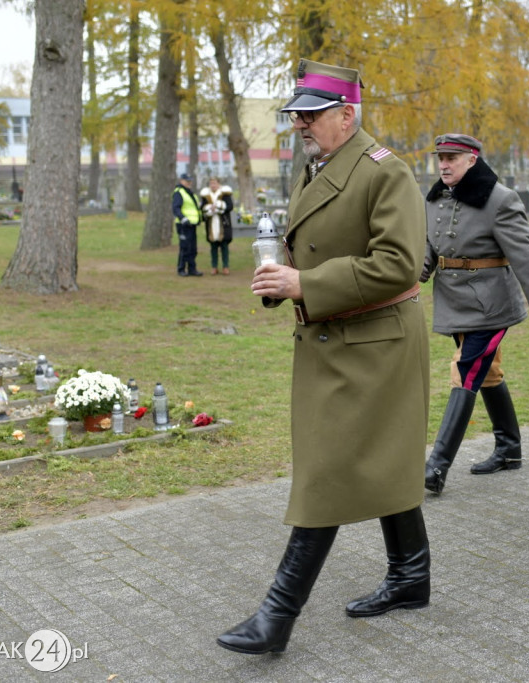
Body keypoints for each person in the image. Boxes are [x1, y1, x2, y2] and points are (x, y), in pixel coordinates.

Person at [217, 59, 431, 656]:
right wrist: (280, 280)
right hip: (336, 339)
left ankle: (277, 616)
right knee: (381, 461)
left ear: (347, 114)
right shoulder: (318, 169)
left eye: (313, 115)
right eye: (297, 116)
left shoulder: (387, 173)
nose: (302, 124)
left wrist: (305, 285)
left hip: (374, 344)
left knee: (328, 472)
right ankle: (411, 577)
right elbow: (308, 247)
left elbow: (398, 265)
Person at [420, 133, 529, 495]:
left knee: (465, 372)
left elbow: (526, 257)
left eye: (452, 157)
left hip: (491, 304)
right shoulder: (436, 198)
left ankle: (436, 465)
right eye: (441, 157)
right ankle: (509, 449)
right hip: (453, 302)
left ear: (472, 159)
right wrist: (410, 276)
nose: (444, 164)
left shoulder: (500, 199)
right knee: (489, 373)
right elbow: (429, 246)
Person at [200, 177, 234, 275]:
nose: (213, 185)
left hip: (223, 224)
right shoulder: (206, 195)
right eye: (211, 183)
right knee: (213, 247)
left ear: (219, 184)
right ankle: (214, 267)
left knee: (224, 246)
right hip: (211, 224)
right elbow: (202, 207)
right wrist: (209, 208)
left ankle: (225, 266)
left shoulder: (225, 194)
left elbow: (230, 206)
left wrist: (219, 206)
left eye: (214, 183)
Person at [172, 173, 203, 276]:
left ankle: (192, 269)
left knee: (193, 248)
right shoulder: (179, 192)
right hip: (184, 224)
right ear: (181, 181)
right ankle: (181, 269)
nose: (189, 183)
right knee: (185, 247)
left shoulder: (191, 193)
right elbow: (176, 208)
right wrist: (183, 218)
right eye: (187, 181)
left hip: (192, 224)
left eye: (190, 181)